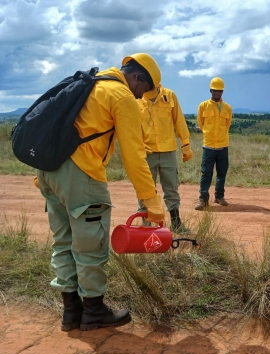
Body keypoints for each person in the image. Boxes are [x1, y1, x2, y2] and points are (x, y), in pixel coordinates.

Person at [36, 53, 164, 332]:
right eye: (144, 90)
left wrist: (51, 175)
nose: (143, 97)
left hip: (47, 171)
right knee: (90, 246)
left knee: (63, 242)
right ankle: (93, 312)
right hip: (82, 174)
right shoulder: (120, 95)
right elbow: (134, 155)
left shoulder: (88, 83)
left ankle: (71, 313)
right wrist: (151, 200)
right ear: (137, 77)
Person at [136, 82, 193, 233]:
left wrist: (185, 144)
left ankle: (176, 224)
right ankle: (146, 226)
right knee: (145, 191)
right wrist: (137, 146)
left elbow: (179, 121)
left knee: (171, 189)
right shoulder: (136, 98)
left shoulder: (169, 96)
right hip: (146, 153)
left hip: (168, 152)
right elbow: (131, 127)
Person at [195, 77, 232, 210]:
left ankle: (219, 197)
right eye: (215, 91)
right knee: (206, 173)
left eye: (219, 91)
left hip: (223, 146)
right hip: (208, 146)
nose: (217, 93)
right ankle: (203, 200)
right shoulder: (203, 106)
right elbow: (200, 123)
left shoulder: (227, 108)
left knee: (221, 173)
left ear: (222, 92)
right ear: (210, 90)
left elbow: (227, 126)